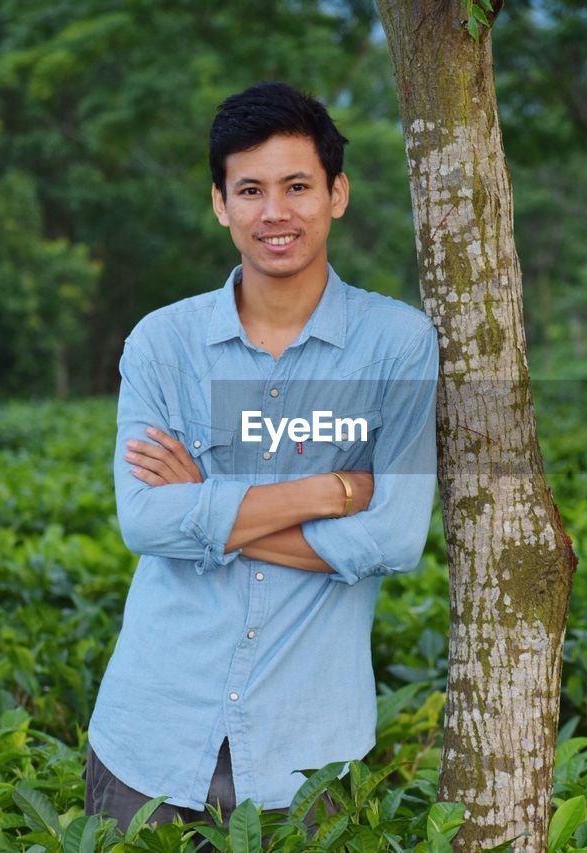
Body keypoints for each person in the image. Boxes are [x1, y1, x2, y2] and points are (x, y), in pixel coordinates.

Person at [83, 81, 439, 834]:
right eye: (250, 189)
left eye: (297, 186)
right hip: (147, 739)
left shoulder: (397, 346)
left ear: (336, 194)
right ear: (220, 203)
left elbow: (395, 537)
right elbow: (146, 520)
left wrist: (208, 506)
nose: (274, 212)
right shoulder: (162, 343)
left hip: (306, 758)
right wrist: (331, 490)